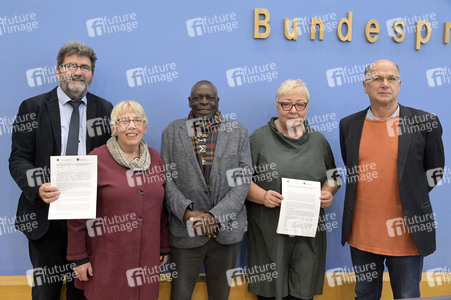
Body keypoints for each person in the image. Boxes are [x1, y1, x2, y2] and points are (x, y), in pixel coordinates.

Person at [9, 41, 113, 300]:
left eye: (85, 67)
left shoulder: (106, 110)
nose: (78, 72)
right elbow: (19, 159)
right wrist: (37, 187)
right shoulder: (31, 108)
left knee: (84, 291)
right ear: (58, 71)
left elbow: (113, 162)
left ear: (91, 73)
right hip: (46, 217)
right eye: (71, 66)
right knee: (45, 293)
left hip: (89, 219)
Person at [339, 59, 445, 299]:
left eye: (391, 79)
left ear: (399, 84)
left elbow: (435, 170)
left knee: (407, 295)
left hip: (407, 235)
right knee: (364, 294)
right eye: (377, 78)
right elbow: (352, 168)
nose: (384, 84)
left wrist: (411, 193)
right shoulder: (348, 125)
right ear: (365, 85)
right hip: (362, 235)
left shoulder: (424, 123)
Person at [246, 79, 340, 300]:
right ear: (277, 106)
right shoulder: (258, 139)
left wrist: (328, 192)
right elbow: (240, 181)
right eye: (286, 104)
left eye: (300, 104)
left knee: (302, 290)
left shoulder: (318, 141)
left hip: (307, 235)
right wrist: (262, 196)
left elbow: (333, 176)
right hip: (269, 232)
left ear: (307, 107)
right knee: (270, 292)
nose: (293, 110)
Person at [66, 101, 170, 299]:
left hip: (147, 257)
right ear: (113, 128)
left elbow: (162, 209)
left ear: (145, 127)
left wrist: (164, 245)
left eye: (137, 120)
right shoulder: (95, 158)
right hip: (108, 258)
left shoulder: (155, 159)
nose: (131, 126)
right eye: (124, 121)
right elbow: (77, 213)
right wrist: (78, 258)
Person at [160, 80, 252, 300]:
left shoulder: (238, 132)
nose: (203, 101)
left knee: (221, 295)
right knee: (180, 294)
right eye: (198, 97)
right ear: (189, 101)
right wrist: (188, 214)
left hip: (227, 231)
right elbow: (165, 178)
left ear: (217, 101)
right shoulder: (172, 132)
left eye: (209, 97)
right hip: (186, 230)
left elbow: (243, 178)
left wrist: (215, 217)